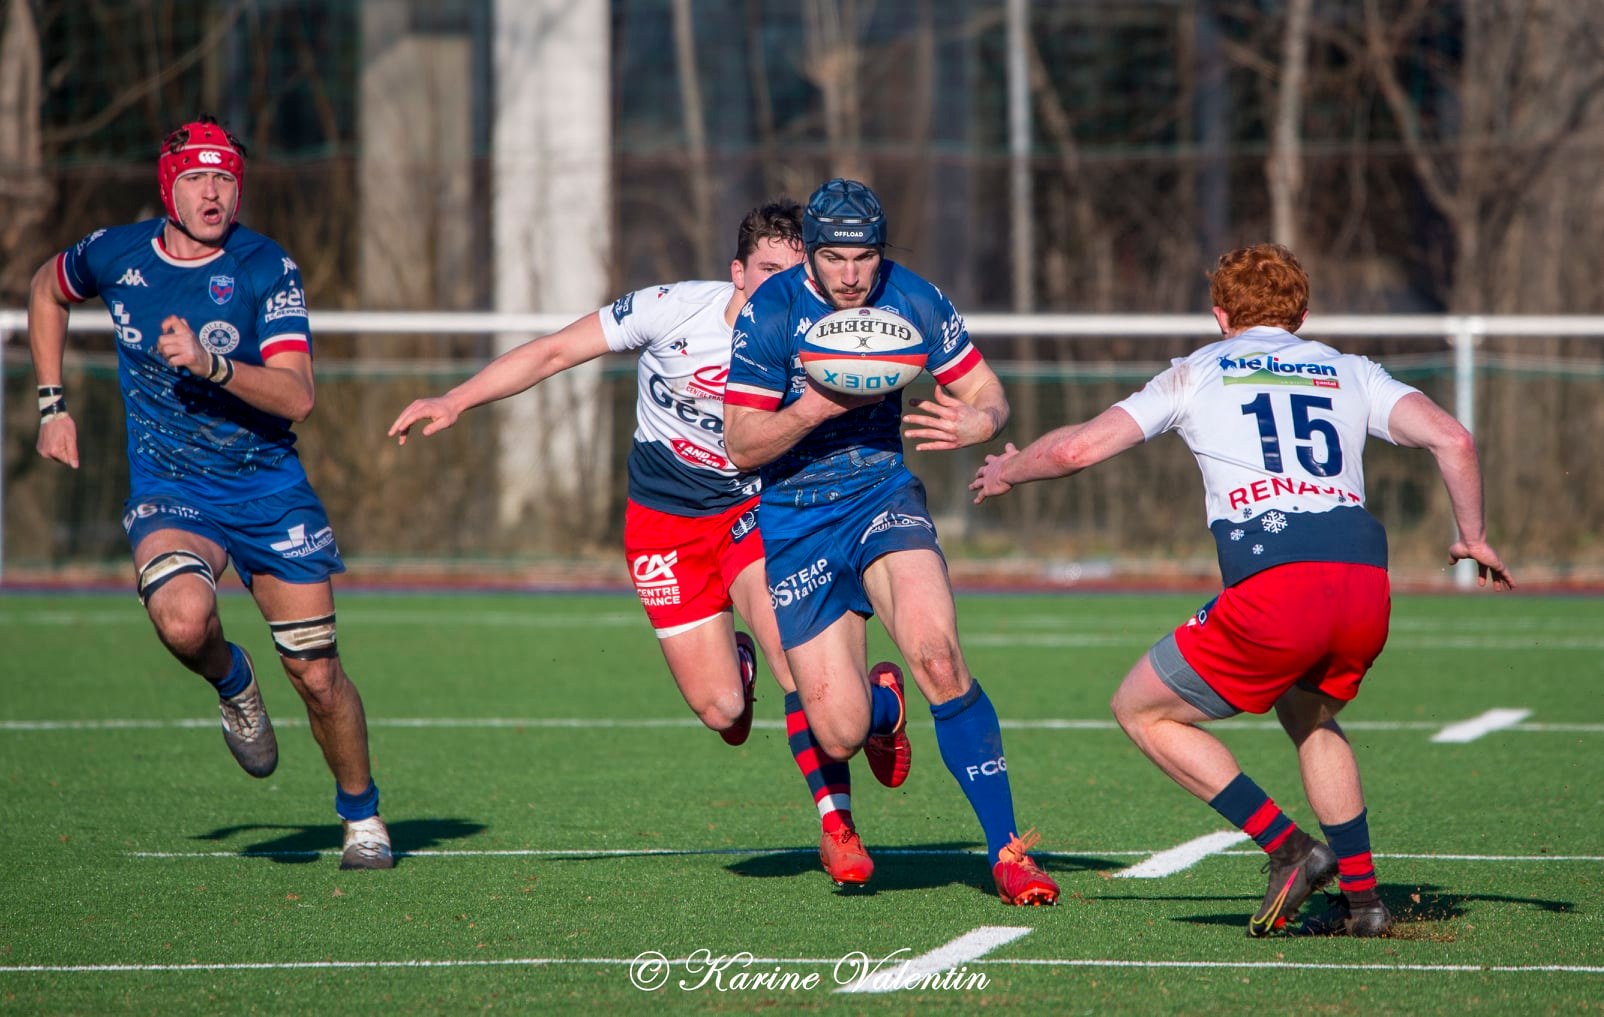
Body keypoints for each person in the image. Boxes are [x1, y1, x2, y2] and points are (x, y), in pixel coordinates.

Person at [972, 242, 1515, 934]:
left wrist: (1012, 470)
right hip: (1362, 584)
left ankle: (1287, 847)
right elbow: (1454, 440)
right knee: (1309, 713)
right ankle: (1365, 902)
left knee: (1142, 708)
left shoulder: (1199, 370)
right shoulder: (1349, 370)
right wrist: (1472, 536)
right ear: (1303, 313)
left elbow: (1079, 449)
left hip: (1277, 582)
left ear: (1219, 314)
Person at [388, 200, 884, 885]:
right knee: (723, 711)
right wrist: (456, 400)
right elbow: (556, 349)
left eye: (796, 274)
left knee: (796, 665)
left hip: (753, 511)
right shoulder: (671, 309)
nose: (782, 288)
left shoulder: (814, 340)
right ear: (737, 273)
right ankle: (872, 697)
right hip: (664, 524)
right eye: (768, 271)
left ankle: (838, 826)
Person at [28, 115, 393, 869]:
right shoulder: (116, 253)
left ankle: (361, 816)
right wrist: (51, 405)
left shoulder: (268, 267)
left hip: (268, 487)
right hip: (173, 484)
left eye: (225, 177)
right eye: (197, 177)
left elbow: (297, 396)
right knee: (184, 619)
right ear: (169, 187)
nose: (213, 192)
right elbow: (45, 288)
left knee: (319, 674)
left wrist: (210, 364)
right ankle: (235, 682)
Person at [723, 178, 1060, 906]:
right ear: (810, 255)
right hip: (795, 517)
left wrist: (984, 421)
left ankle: (1006, 852)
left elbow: (987, 392)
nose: (851, 275)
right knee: (838, 731)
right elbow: (742, 444)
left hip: (881, 493)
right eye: (836, 258)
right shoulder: (771, 312)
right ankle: (881, 707)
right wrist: (817, 404)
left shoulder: (912, 296)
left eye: (865, 257)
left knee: (937, 652)